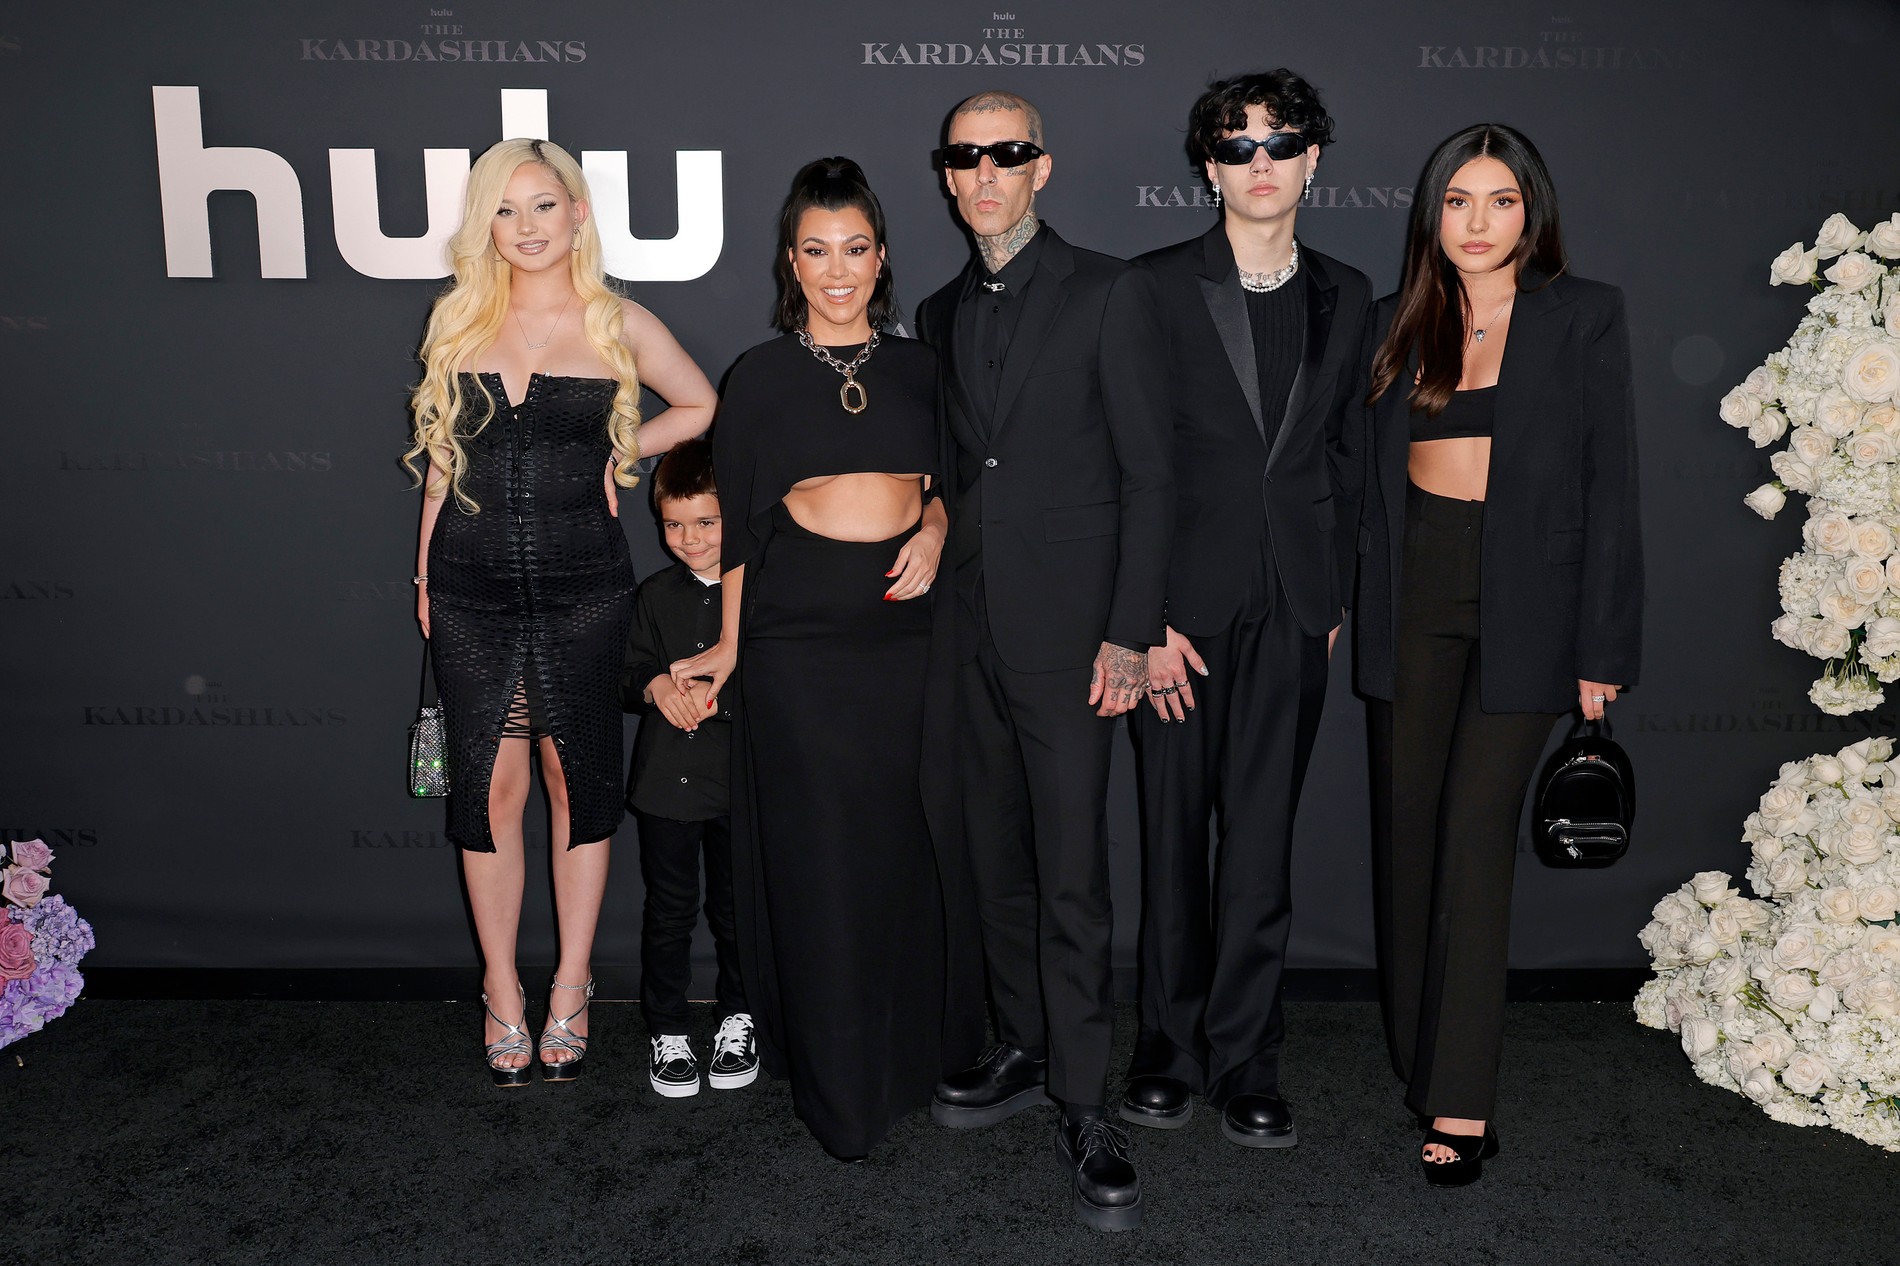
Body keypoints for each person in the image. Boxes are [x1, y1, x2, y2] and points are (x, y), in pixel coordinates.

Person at [667, 158, 983, 1160]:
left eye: (854, 249)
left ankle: (916, 1062)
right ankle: (838, 1087)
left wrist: (936, 527)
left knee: (906, 849)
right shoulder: (759, 377)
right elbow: (741, 532)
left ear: (880, 258)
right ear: (791, 263)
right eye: (817, 251)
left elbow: (955, 484)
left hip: (910, 637)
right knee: (822, 860)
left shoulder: (924, 366)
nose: (837, 270)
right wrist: (729, 643)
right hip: (798, 644)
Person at [1354, 123, 1642, 1184]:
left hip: (1534, 600)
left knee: (1475, 836)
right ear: (1431, 213)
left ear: (1533, 212)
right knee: (1407, 841)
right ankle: (1418, 1056)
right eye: (1459, 201)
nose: (1478, 223)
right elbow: (1357, 481)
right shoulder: (1393, 322)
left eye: (1502, 201)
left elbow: (1612, 485)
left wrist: (1603, 647)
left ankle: (1461, 1099)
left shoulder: (1583, 314)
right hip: (1412, 591)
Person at [404, 137, 716, 1088]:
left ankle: (572, 984)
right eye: (505, 210)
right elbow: (443, 463)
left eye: (544, 205)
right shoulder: (458, 320)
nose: (527, 226)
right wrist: (423, 574)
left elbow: (699, 405)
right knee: (488, 793)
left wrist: (623, 453)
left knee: (575, 782)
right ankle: (501, 987)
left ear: (578, 214)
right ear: (485, 226)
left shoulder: (618, 320)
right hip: (471, 590)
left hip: (585, 589)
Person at [915, 91, 1171, 1232]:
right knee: (996, 860)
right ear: (947, 174)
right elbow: (959, 472)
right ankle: (1022, 1045)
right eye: (966, 157)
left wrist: (1130, 629)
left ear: (1041, 168)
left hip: (1074, 640)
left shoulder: (1110, 290)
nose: (986, 173)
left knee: (1072, 876)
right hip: (966, 629)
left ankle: (1084, 1099)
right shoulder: (936, 310)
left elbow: (1152, 474)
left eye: (1006, 154)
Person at [1117, 70, 1372, 1151]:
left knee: (1262, 843)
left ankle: (1247, 1058)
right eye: (1235, 146)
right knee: (1171, 838)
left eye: (1279, 142)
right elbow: (1132, 460)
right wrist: (1146, 618)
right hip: (1180, 612)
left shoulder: (1349, 292)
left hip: (1293, 604)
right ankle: (1167, 1050)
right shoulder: (1153, 286)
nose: (1258, 163)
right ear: (1208, 169)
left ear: (1313, 159)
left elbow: (1348, 458)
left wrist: (1332, 593)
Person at [618, 439, 755, 1099]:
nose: (689, 539)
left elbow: (788, 681)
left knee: (737, 910)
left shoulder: (763, 594)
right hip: (666, 785)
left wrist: (715, 698)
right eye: (673, 524)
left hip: (740, 782)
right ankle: (668, 1029)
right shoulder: (653, 594)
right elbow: (626, 672)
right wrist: (655, 687)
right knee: (669, 910)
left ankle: (740, 1017)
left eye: (706, 521)